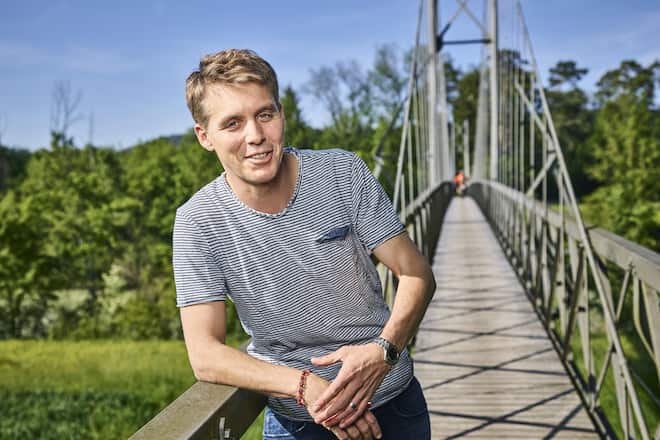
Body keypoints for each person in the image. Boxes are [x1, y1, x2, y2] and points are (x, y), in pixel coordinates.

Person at [173, 49, 435, 440]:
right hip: (298, 423)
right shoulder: (198, 222)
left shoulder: (342, 172)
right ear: (204, 136)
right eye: (232, 123)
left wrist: (385, 350)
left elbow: (416, 274)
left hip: (393, 407)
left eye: (265, 114)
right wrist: (303, 385)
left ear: (282, 114)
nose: (255, 136)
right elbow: (205, 355)